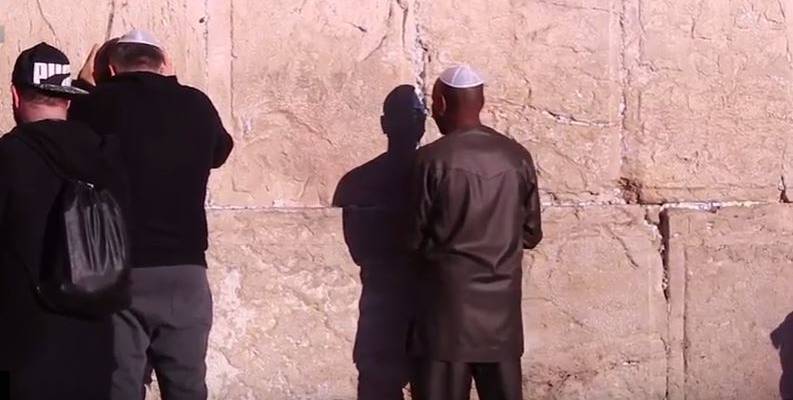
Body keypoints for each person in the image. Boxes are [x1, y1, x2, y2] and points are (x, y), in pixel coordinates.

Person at [70, 29, 234, 400]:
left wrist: (83, 89)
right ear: (163, 64)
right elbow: (219, 151)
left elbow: (68, 138)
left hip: (121, 271)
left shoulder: (96, 104)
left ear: (110, 69)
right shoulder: (197, 104)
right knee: (188, 386)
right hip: (186, 271)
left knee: (120, 385)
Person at [407, 65, 543, 400]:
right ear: (480, 102)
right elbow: (531, 233)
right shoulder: (517, 156)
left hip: (447, 317)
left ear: (440, 103)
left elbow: (411, 238)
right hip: (502, 319)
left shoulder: (430, 160)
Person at [0, 42, 123, 400]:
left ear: (14, 96)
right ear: (67, 100)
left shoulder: (7, 158)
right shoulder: (107, 156)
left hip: (23, 354)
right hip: (95, 349)